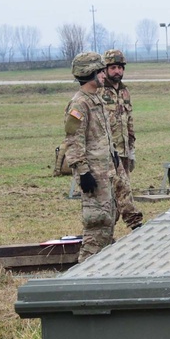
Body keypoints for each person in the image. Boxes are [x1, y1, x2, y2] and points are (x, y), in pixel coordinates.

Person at [63, 52, 117, 263]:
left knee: (107, 226)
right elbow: (73, 140)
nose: (104, 75)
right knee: (96, 229)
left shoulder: (96, 100)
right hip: (93, 176)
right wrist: (83, 172)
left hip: (105, 174)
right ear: (90, 73)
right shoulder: (79, 105)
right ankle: (83, 274)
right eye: (101, 71)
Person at [99, 49, 143, 229]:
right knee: (122, 190)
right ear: (106, 69)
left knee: (116, 195)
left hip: (124, 150)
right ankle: (136, 224)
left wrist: (131, 148)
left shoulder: (124, 92)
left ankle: (106, 232)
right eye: (113, 68)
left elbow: (129, 121)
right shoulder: (100, 92)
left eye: (120, 67)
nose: (117, 71)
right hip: (109, 152)